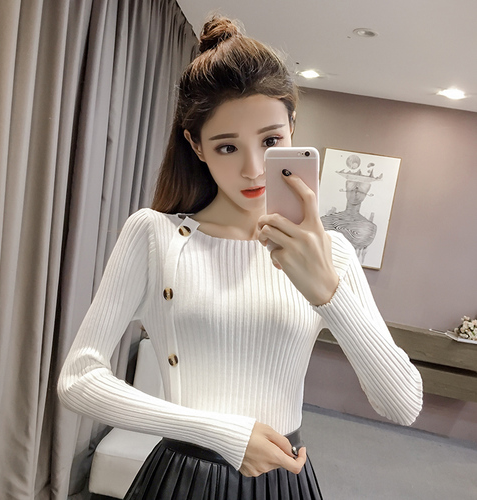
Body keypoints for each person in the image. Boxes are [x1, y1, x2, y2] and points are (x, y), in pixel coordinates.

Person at [58, 17, 423, 500]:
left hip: (282, 482)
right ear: (196, 145)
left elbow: (402, 405)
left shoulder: (331, 252)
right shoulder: (153, 234)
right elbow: (78, 379)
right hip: (180, 478)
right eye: (227, 146)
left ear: (292, 128)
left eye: (270, 141)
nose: (252, 169)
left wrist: (327, 292)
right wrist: (221, 432)